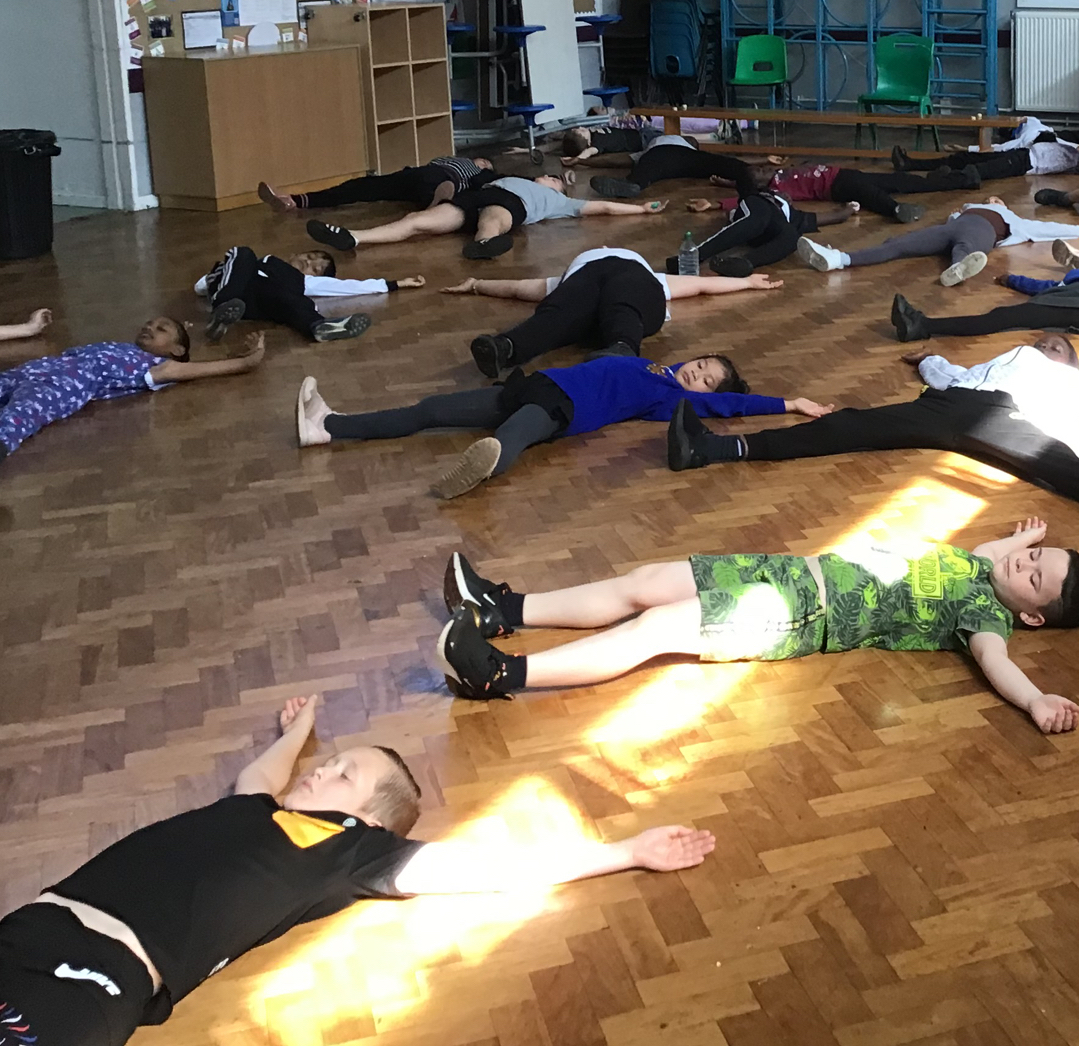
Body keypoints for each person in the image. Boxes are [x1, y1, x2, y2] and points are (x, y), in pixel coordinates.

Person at [0, 693, 716, 1044]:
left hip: (99, 976)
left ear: (368, 816)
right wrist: (299, 732)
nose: (321, 773)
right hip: (30, 926)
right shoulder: (253, 813)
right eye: (330, 764)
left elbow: (489, 867)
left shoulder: (353, 854)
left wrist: (623, 851)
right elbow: (260, 774)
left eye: (342, 774)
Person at [436, 522, 1079, 735]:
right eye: (1031, 558)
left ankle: (501, 673)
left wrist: (1034, 698)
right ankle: (504, 608)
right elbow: (996, 553)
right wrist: (1025, 539)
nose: (1021, 564)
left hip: (799, 614)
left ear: (1028, 613)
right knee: (646, 580)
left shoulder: (985, 618)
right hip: (785, 569)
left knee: (658, 626)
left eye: (1033, 577)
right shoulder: (983, 565)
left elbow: (998, 663)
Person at [295, 347, 832, 499]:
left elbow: (733, 408)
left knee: (511, 438)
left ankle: (481, 470)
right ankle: (330, 426)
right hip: (533, 385)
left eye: (707, 381)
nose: (698, 374)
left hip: (560, 409)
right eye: (704, 365)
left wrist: (790, 404)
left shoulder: (668, 398)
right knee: (431, 411)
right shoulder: (653, 365)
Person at [664, 333, 1079, 504]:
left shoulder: (1066, 383)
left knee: (1063, 467)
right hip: (952, 405)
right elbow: (959, 378)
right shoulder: (1017, 356)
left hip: (1007, 416)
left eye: (1056, 347)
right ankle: (711, 447)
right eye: (1043, 340)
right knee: (846, 426)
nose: (1044, 346)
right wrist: (931, 359)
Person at [439, 246, 785, 376]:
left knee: (618, 302)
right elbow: (517, 288)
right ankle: (506, 348)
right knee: (554, 315)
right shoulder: (568, 279)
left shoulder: (645, 274)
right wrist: (475, 284)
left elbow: (701, 284)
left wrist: (749, 283)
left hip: (629, 289)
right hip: (585, 292)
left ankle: (621, 348)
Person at [0, 321, 265, 462]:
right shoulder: (127, 349)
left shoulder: (162, 366)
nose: (150, 327)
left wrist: (247, 361)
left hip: (67, 384)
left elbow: (203, 369)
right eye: (150, 324)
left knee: (22, 413)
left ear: (177, 351)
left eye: (162, 329)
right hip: (43, 367)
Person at [305, 175, 668, 260]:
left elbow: (602, 207)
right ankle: (355, 235)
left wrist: (640, 209)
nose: (549, 178)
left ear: (556, 188)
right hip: (474, 197)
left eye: (554, 179)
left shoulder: (560, 202)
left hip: (509, 205)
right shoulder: (514, 174)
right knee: (417, 220)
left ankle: (484, 245)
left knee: (492, 220)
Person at [796, 196, 1079, 286]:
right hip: (952, 228)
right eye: (991, 199)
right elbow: (952, 219)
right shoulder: (963, 209)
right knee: (898, 244)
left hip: (982, 231)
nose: (994, 200)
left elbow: (1047, 226)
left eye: (997, 200)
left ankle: (956, 270)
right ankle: (839, 259)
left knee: (966, 248)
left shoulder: (1014, 219)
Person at [196, 246, 422, 343]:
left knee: (295, 300)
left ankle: (319, 327)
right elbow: (199, 286)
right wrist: (214, 278)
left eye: (315, 268)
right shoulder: (265, 261)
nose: (309, 262)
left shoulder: (303, 281)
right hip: (235, 289)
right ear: (297, 253)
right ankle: (222, 311)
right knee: (243, 253)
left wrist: (395, 284)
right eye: (312, 256)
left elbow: (347, 287)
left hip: (257, 304)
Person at [700, 158, 982, 225]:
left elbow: (743, 184)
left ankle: (956, 180)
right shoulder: (776, 188)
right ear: (762, 185)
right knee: (870, 193)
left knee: (901, 180)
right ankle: (894, 209)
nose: (764, 170)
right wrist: (715, 203)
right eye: (760, 174)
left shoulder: (779, 173)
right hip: (835, 186)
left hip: (842, 174)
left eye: (761, 168)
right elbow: (744, 198)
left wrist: (723, 181)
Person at [890, 252, 1079, 342]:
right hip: (1067, 300)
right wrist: (1014, 280)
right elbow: (1052, 287)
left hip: (1071, 307)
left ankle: (921, 327)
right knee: (1005, 317)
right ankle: (920, 326)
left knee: (1004, 317)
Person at [673, 192, 858, 277]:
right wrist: (715, 203)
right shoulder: (764, 194)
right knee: (758, 219)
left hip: (772, 229)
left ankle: (744, 263)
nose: (786, 195)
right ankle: (694, 255)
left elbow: (833, 217)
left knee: (792, 236)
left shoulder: (795, 215)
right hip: (757, 207)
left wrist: (849, 208)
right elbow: (744, 186)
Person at [257, 156, 498, 212]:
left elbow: (486, 183)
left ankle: (440, 200)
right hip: (420, 176)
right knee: (363, 186)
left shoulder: (477, 171)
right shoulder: (454, 158)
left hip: (446, 178)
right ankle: (294, 200)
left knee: (439, 182)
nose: (482, 161)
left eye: (486, 162)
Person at [893, 116, 1079, 181]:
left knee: (977, 171)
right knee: (963, 158)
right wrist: (967, 149)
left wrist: (968, 147)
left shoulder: (1030, 133)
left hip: (1025, 163)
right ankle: (911, 164)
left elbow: (997, 148)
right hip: (1021, 154)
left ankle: (940, 179)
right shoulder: (1034, 130)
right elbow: (999, 147)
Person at [580, 134, 757, 199]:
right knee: (722, 163)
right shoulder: (680, 143)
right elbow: (615, 161)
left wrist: (583, 161)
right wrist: (582, 161)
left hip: (661, 156)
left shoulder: (655, 144)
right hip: (685, 159)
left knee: (645, 171)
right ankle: (749, 174)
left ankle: (634, 184)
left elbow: (617, 161)